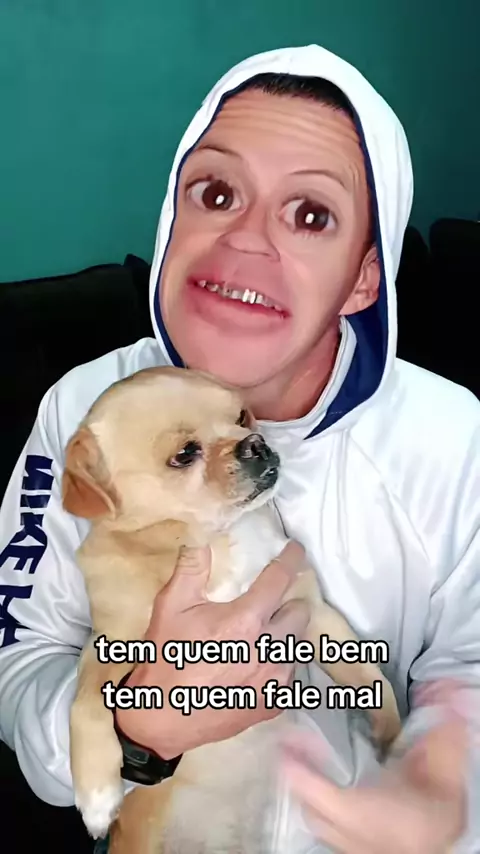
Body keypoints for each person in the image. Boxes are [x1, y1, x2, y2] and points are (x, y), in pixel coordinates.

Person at [0, 43, 478, 854]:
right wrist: (135, 727)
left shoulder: (454, 435)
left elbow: (469, 665)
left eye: (311, 215)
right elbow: (21, 654)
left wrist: (442, 792)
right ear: (172, 217)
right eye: (217, 194)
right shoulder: (84, 412)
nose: (247, 240)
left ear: (365, 279)